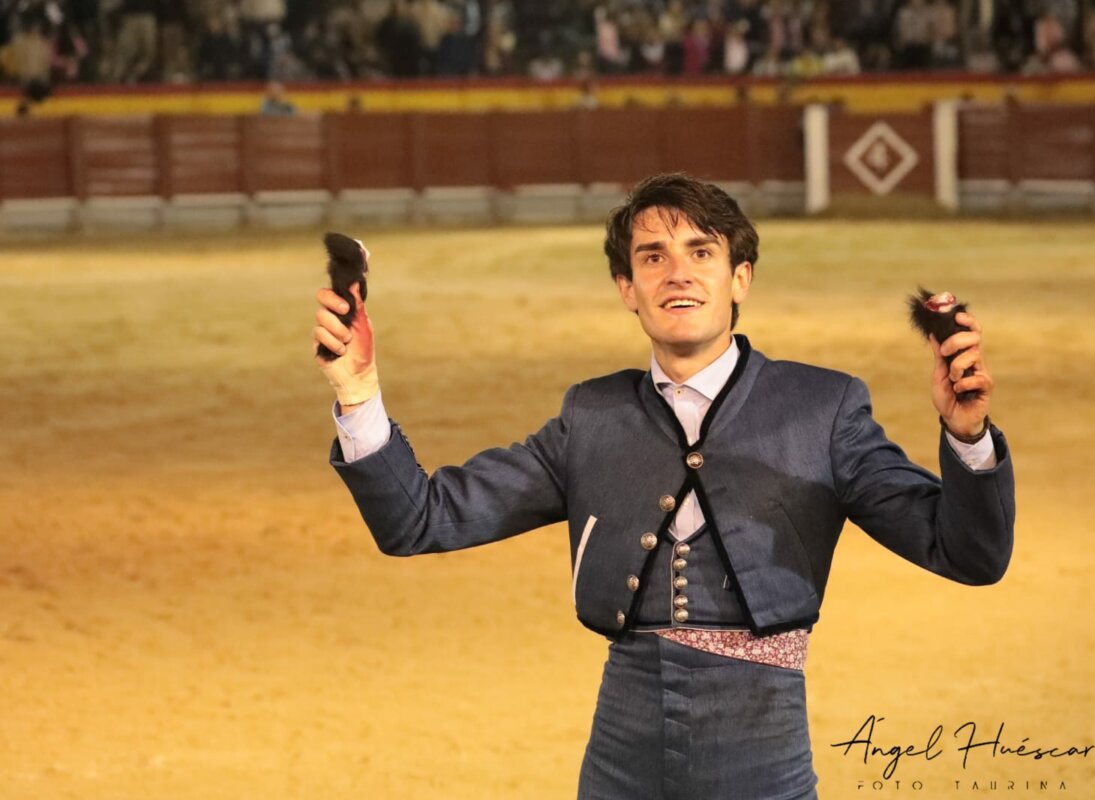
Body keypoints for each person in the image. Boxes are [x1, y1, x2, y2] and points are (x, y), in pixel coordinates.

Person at [312, 173, 1015, 799]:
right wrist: (357, 391)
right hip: (623, 744)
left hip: (761, 741)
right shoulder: (592, 416)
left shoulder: (821, 408)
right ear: (628, 290)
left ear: (740, 277)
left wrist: (966, 437)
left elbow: (967, 555)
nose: (677, 274)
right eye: (653, 257)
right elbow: (421, 520)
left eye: (701, 253)